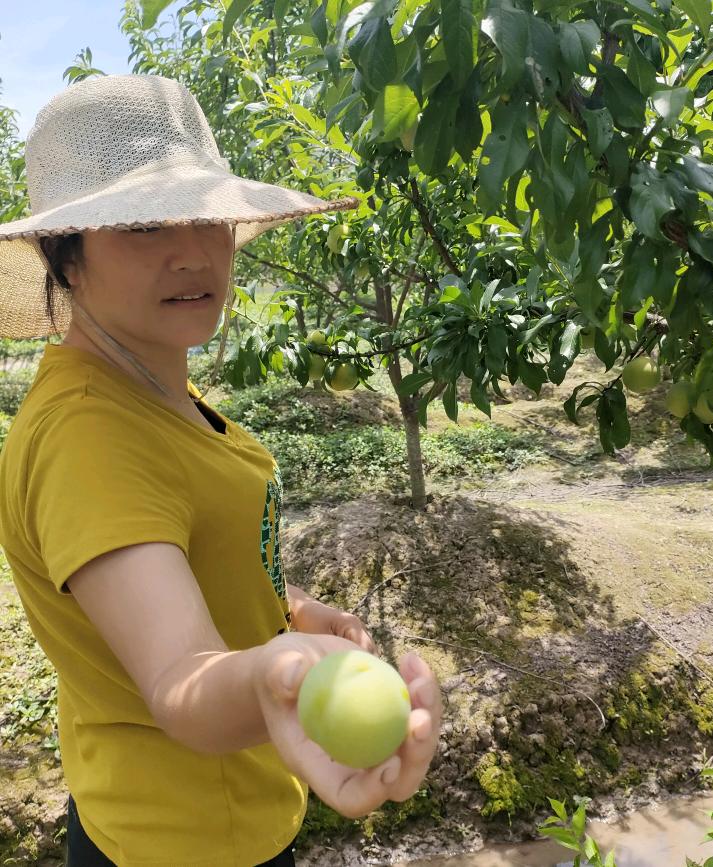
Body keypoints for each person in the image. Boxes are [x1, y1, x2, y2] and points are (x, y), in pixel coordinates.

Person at [0, 73, 442, 867]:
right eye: (141, 225)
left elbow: (184, 555)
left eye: (207, 214)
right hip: (185, 842)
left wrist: (290, 611)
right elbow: (180, 680)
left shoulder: (145, 379)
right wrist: (280, 672)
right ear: (65, 259)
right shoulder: (89, 435)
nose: (193, 250)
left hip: (184, 815)